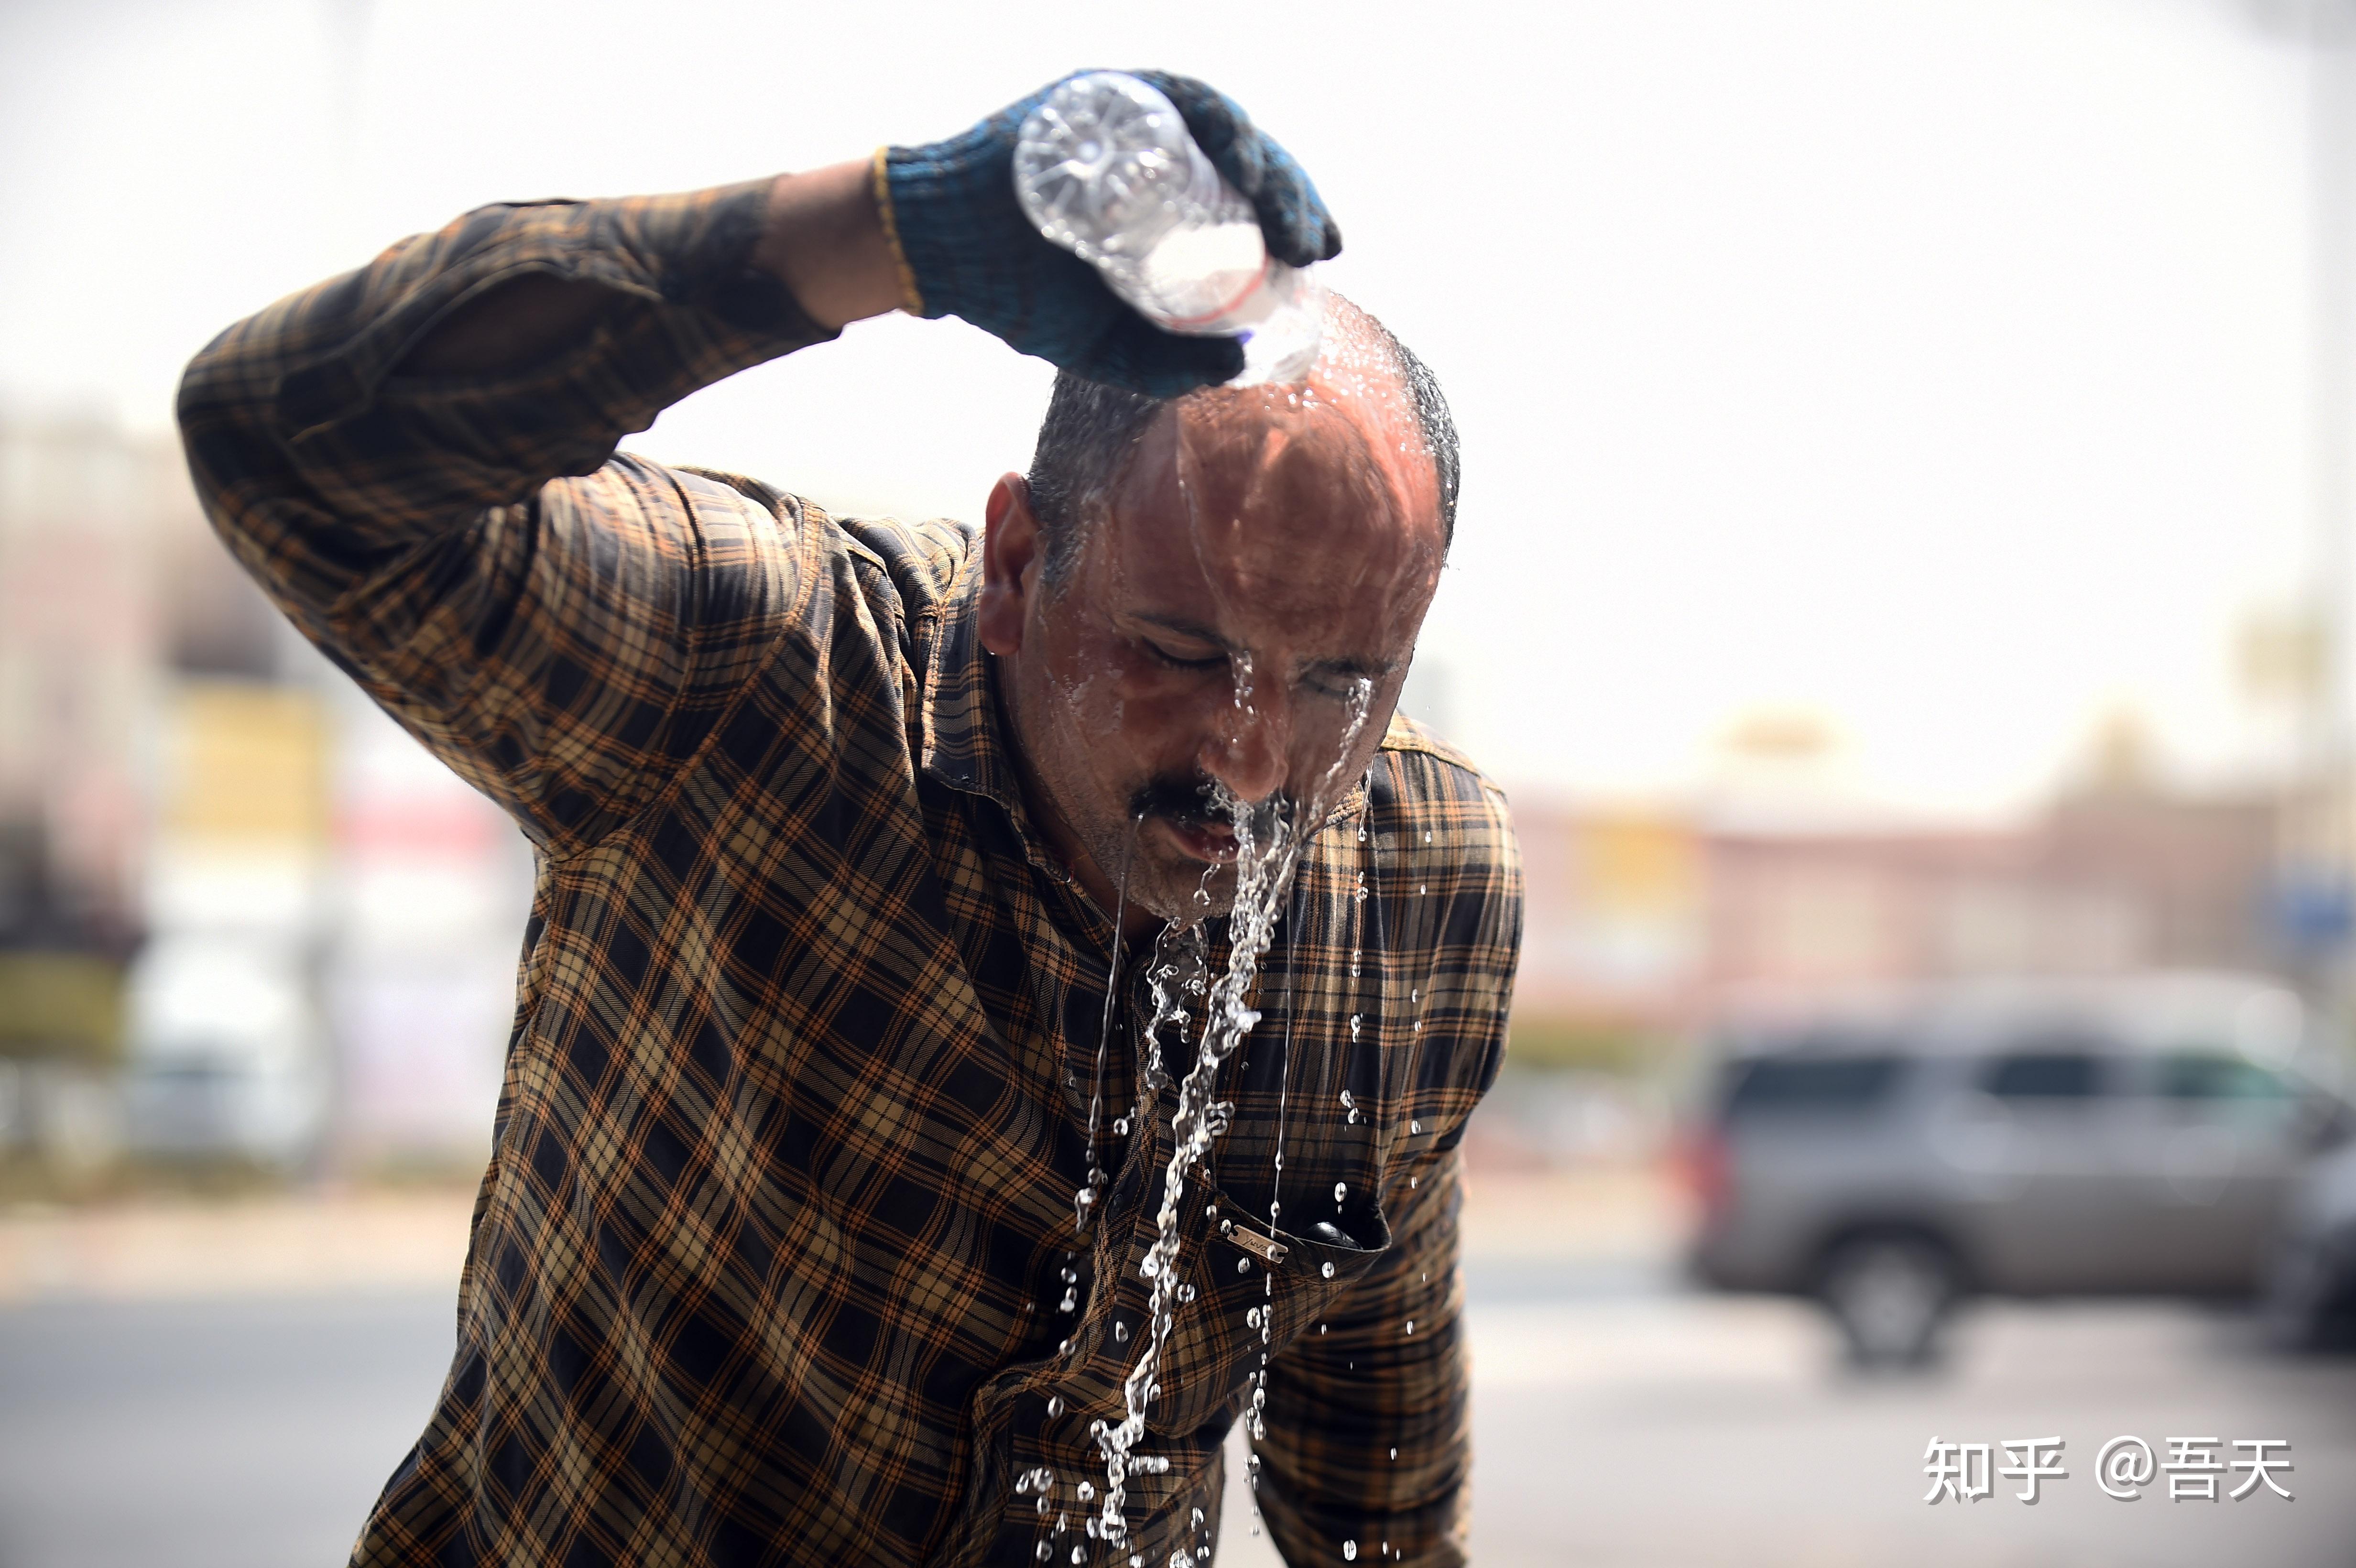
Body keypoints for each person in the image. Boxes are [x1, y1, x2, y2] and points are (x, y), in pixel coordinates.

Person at [178, 70, 1520, 1568]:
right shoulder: (755, 680)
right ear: (1016, 565)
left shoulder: (1421, 882)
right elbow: (285, 445)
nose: (1258, 761)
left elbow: (1379, 1490)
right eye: (1181, 655)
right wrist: (887, 233)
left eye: (1341, 679)